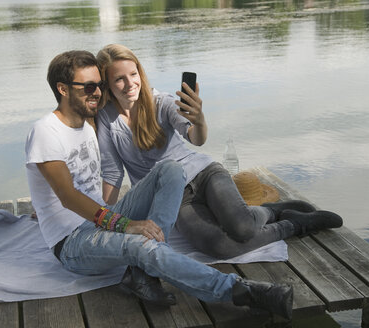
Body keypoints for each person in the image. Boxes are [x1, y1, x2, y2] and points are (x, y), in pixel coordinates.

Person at [25, 49, 294, 319]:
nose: (97, 92)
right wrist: (125, 225)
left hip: (97, 219)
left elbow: (86, 182)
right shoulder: (45, 131)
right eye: (90, 86)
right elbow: (69, 196)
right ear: (62, 89)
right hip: (73, 243)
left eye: (100, 85)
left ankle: (142, 272)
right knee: (142, 246)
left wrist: (44, 206)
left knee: (171, 168)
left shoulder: (88, 124)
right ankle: (244, 292)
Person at [95, 44, 343, 259]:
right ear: (107, 84)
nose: (130, 84)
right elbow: (112, 174)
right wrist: (105, 220)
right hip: (175, 197)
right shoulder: (105, 119)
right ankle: (293, 223)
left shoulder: (161, 102)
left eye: (133, 74)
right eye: (119, 79)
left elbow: (196, 139)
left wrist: (199, 120)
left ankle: (270, 210)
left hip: (204, 173)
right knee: (218, 246)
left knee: (243, 229)